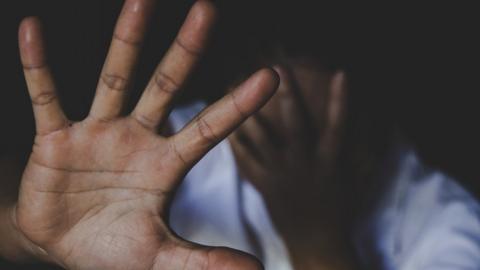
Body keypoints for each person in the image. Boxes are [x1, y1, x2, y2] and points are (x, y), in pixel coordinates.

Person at [0, 0, 479, 270]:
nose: (290, 156)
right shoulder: (174, 147)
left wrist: (316, 238)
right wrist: (26, 236)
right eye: (267, 128)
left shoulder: (448, 228)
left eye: (314, 133)